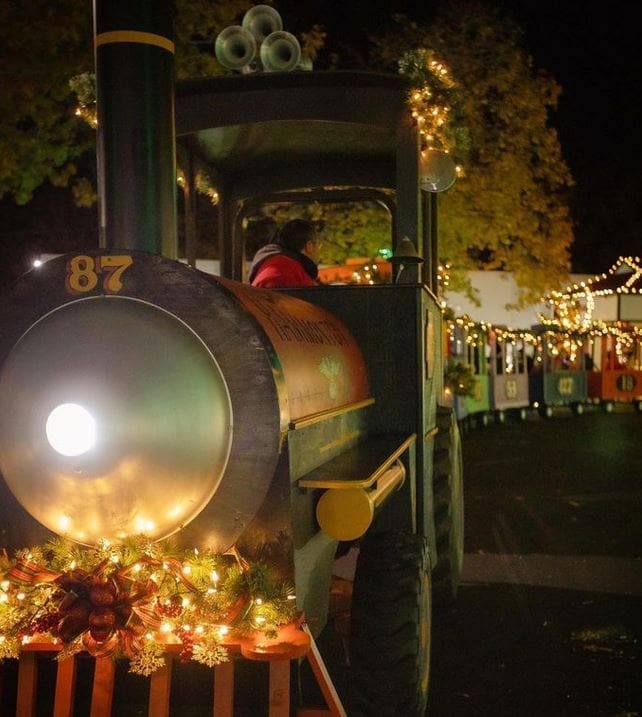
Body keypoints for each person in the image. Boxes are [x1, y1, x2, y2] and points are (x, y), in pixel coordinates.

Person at [249, 219, 321, 288]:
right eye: (318, 245)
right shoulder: (292, 273)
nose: (319, 250)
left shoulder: (270, 263)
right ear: (309, 246)